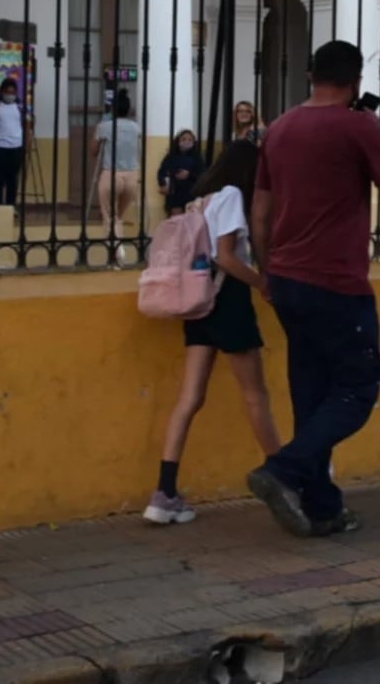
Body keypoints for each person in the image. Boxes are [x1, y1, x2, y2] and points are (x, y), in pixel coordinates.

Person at [248, 40, 380, 537]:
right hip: (337, 282)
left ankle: (323, 507)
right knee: (359, 387)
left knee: (313, 396)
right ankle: (284, 470)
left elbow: (260, 212)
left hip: (288, 281)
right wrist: (375, 135)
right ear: (355, 80)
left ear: (311, 75)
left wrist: (268, 271)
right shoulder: (357, 125)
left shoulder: (278, 128)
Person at [143, 139, 283, 525]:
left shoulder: (200, 197)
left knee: (189, 398)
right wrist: (262, 283)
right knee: (256, 395)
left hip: (199, 298)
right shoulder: (234, 195)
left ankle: (164, 492)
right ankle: (287, 476)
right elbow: (226, 256)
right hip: (229, 298)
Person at [92, 89, 141, 266]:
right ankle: (118, 247)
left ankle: (116, 253)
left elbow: (94, 151)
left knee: (108, 216)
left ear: (111, 110)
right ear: (129, 110)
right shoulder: (136, 127)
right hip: (132, 175)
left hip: (111, 174)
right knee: (118, 216)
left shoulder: (104, 126)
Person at [0, 77, 28, 207]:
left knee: (12, 179)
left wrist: (26, 145)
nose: (10, 95)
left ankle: (11, 206)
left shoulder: (20, 108)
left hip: (16, 148)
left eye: (12, 92)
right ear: (2, 92)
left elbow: (27, 126)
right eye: (7, 92)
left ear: (16, 93)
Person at [157, 129, 204, 216]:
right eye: (183, 139)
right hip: (175, 194)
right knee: (176, 221)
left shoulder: (198, 158)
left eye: (190, 140)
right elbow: (162, 172)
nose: (187, 142)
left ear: (194, 142)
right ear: (178, 141)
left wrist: (189, 175)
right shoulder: (170, 156)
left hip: (191, 194)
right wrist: (163, 184)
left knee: (191, 221)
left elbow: (202, 174)